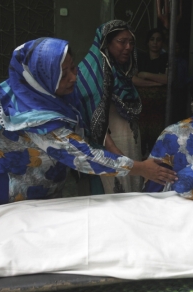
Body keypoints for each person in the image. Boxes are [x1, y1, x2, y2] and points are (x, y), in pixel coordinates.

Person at [0, 37, 177, 206]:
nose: (73, 78)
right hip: (13, 188)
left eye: (73, 68)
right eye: (63, 74)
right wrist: (142, 168)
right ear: (42, 77)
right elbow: (86, 157)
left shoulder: (43, 93)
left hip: (42, 181)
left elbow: (82, 119)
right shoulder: (38, 121)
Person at [77, 20, 144, 194]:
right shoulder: (91, 70)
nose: (128, 47)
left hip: (128, 142)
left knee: (131, 187)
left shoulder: (122, 72)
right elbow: (90, 112)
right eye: (122, 41)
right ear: (106, 42)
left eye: (131, 42)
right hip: (109, 144)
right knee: (112, 192)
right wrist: (111, 147)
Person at [133, 28, 169, 157]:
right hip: (141, 107)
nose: (155, 43)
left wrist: (146, 74)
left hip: (159, 108)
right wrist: (156, 82)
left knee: (157, 140)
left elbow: (167, 79)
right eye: (152, 39)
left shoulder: (166, 58)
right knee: (140, 140)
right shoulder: (140, 58)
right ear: (147, 42)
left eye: (158, 40)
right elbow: (134, 79)